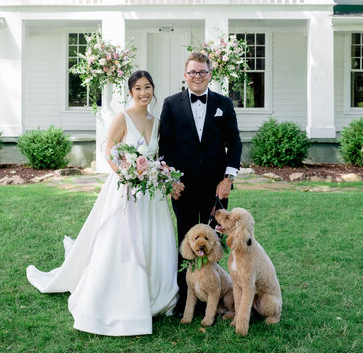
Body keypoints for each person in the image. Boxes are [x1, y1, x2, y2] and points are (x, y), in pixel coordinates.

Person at [26, 70, 178, 336]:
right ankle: (122, 297)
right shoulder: (123, 118)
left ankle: (157, 295)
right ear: (130, 92)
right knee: (123, 244)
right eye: (138, 88)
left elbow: (157, 156)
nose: (144, 93)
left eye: (148, 87)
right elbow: (108, 152)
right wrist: (127, 175)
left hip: (151, 196)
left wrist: (157, 175)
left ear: (153, 90)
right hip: (125, 190)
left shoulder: (157, 120)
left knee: (154, 240)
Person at [159, 51, 242, 316]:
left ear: (210, 74)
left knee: (214, 241)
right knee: (187, 240)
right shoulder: (171, 104)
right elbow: (166, 147)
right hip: (182, 187)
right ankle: (186, 301)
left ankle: (215, 299)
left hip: (216, 186)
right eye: (193, 72)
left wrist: (228, 178)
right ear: (185, 75)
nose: (198, 76)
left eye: (202, 72)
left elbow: (235, 143)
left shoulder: (224, 104)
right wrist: (171, 180)